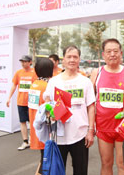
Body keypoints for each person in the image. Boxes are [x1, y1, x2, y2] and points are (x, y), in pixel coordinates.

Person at [90, 38, 124, 175]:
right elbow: (89, 100)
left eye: (115, 51)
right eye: (108, 51)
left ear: (121, 53)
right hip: (103, 127)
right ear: (103, 55)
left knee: (123, 165)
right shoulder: (97, 73)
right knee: (106, 164)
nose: (112, 54)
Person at [44, 45, 96, 175]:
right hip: (58, 135)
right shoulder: (53, 82)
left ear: (79, 60)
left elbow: (91, 107)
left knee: (81, 170)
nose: (72, 60)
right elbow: (47, 104)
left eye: (75, 57)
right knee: (57, 171)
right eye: (69, 57)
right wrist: (50, 114)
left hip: (80, 134)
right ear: (63, 60)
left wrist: (90, 130)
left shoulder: (85, 81)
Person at [28, 58, 53, 174]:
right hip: (44, 130)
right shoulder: (46, 87)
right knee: (46, 161)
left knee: (43, 158)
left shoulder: (34, 84)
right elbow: (49, 110)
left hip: (35, 128)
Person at [6, 55, 37, 150]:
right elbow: (14, 86)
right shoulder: (18, 73)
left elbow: (38, 86)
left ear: (30, 62)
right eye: (22, 62)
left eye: (25, 61)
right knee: (22, 121)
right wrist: (9, 98)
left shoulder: (34, 73)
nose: (23, 63)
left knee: (33, 122)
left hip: (32, 102)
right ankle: (25, 141)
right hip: (21, 102)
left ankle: (33, 140)